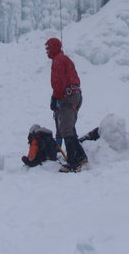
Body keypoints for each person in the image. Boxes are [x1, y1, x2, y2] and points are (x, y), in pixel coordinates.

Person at [45, 37, 87, 172]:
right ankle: (81, 156)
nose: (46, 51)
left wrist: (54, 97)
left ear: (54, 48)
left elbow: (59, 82)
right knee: (70, 128)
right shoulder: (64, 59)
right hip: (75, 95)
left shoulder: (58, 60)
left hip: (67, 97)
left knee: (66, 130)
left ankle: (73, 163)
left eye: (48, 48)